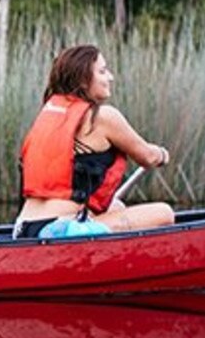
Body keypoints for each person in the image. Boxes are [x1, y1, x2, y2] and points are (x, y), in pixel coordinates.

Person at [14, 44, 174, 238]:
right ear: (83, 80)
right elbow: (147, 157)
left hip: (24, 228)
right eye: (103, 71)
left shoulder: (50, 115)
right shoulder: (103, 117)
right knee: (164, 213)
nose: (111, 77)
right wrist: (162, 154)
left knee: (116, 206)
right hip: (57, 230)